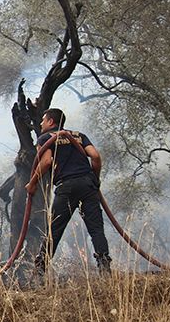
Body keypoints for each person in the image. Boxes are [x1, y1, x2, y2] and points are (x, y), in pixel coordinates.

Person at [25, 108, 112, 275]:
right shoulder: (79, 136)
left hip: (67, 186)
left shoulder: (44, 138)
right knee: (96, 229)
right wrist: (96, 179)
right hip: (88, 185)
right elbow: (95, 157)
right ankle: (104, 266)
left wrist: (33, 183)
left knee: (55, 229)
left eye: (43, 120)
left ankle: (40, 271)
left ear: (51, 121)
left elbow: (46, 162)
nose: (41, 123)